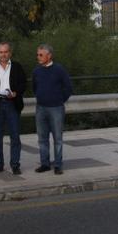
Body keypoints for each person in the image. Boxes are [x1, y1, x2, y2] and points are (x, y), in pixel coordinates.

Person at [0, 42, 26, 175]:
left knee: (15, 135)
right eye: (1, 52)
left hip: (12, 104)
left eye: (6, 52)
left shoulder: (17, 67)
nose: (3, 54)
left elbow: (23, 84)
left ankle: (15, 164)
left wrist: (15, 93)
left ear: (10, 53)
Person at [32, 43, 73, 175]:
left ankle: (58, 165)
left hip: (56, 108)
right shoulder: (36, 71)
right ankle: (45, 164)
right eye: (37, 54)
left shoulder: (59, 69)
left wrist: (59, 100)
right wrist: (40, 97)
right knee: (42, 138)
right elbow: (34, 87)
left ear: (49, 56)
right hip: (41, 108)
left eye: (41, 55)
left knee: (57, 138)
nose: (38, 57)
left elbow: (68, 88)